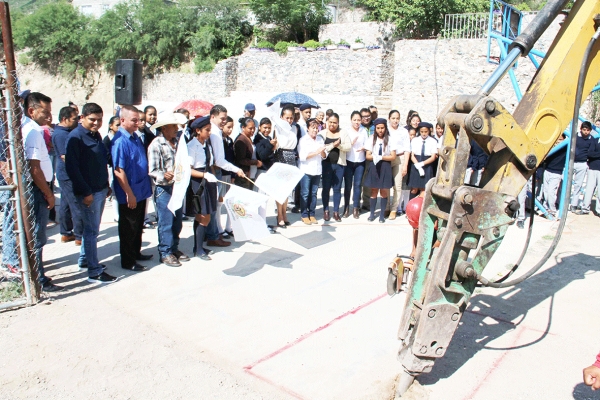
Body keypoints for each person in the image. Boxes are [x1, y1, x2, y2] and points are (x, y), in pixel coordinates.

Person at [66, 102, 117, 283]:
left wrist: (106, 184)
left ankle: (85, 261)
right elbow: (72, 169)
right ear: (82, 118)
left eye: (99, 120)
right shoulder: (76, 137)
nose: (96, 123)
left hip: (100, 190)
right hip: (89, 193)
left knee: (92, 230)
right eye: (92, 120)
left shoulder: (95, 135)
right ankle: (94, 272)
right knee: (91, 232)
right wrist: (86, 192)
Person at [22, 92, 60, 292]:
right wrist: (48, 193)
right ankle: (39, 280)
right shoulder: (34, 132)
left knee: (35, 235)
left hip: (38, 188)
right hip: (38, 189)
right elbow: (34, 168)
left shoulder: (29, 128)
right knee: (37, 235)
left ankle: (36, 275)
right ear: (31, 110)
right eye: (45, 112)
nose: (49, 116)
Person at [112, 105, 154, 272]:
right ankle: (128, 260)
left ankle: (136, 253)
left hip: (141, 189)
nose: (138, 123)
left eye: (139, 120)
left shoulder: (135, 137)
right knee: (128, 227)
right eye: (134, 120)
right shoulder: (120, 141)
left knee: (137, 225)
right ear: (122, 120)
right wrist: (129, 193)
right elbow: (119, 170)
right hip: (130, 191)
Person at [147, 112, 190, 267]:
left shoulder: (178, 142)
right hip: (164, 189)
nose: (176, 129)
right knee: (166, 222)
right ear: (164, 128)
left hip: (177, 187)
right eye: (173, 126)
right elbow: (153, 170)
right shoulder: (156, 144)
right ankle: (165, 252)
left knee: (177, 221)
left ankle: (173, 248)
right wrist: (164, 174)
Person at [207, 105, 245, 246]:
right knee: (212, 205)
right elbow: (219, 160)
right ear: (213, 117)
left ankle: (212, 233)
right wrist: (236, 169)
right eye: (222, 118)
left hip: (213, 169)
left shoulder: (215, 131)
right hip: (213, 170)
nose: (224, 121)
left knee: (212, 204)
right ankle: (213, 235)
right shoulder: (215, 132)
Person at [188, 116, 219, 261]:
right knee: (202, 215)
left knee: (206, 215)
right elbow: (188, 170)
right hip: (198, 183)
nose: (209, 133)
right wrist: (204, 175)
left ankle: (198, 246)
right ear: (198, 131)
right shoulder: (192, 146)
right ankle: (198, 249)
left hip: (208, 180)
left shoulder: (206, 145)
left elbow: (210, 163)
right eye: (207, 130)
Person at [52, 106, 82, 245]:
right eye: (75, 119)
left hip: (67, 173)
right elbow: (66, 156)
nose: (77, 121)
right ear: (65, 119)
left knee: (66, 202)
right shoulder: (61, 134)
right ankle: (79, 235)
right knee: (75, 203)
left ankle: (66, 232)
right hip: (67, 174)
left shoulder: (66, 132)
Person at [319, 113, 350, 221]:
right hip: (326, 165)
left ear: (338, 123)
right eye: (330, 122)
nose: (332, 124)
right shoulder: (322, 134)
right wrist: (333, 145)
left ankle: (336, 212)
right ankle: (326, 210)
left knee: (337, 189)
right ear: (327, 122)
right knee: (326, 188)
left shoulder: (343, 132)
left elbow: (348, 147)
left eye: (335, 122)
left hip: (339, 165)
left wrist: (339, 145)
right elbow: (321, 148)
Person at [364, 118, 396, 222]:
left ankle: (382, 215)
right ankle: (372, 214)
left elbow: (393, 156)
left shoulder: (390, 139)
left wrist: (381, 157)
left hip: (385, 166)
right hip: (374, 165)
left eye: (382, 128)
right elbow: (367, 156)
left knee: (383, 190)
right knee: (374, 190)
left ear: (385, 128)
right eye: (378, 128)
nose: (380, 130)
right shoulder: (371, 138)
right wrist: (375, 157)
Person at [272, 105, 298, 228]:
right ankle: (280, 215)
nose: (289, 120)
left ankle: (285, 214)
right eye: (286, 117)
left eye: (291, 118)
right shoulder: (277, 128)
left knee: (287, 189)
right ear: (281, 117)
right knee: (280, 189)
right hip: (281, 156)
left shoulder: (295, 129)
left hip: (291, 157)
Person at [298, 119, 326, 225]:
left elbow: (324, 156)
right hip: (306, 170)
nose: (315, 130)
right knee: (305, 193)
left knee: (314, 194)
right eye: (312, 128)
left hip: (317, 170)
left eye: (316, 128)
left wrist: (322, 152)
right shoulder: (303, 140)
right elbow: (302, 157)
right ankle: (304, 214)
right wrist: (316, 152)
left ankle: (312, 214)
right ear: (308, 128)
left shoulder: (320, 139)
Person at [344, 111, 368, 219]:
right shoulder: (347, 131)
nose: (357, 122)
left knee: (358, 185)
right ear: (351, 120)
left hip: (360, 161)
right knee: (348, 186)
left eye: (359, 120)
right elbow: (343, 145)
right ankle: (346, 208)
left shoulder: (364, 131)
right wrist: (351, 143)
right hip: (349, 160)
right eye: (355, 120)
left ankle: (356, 208)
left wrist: (364, 148)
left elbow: (367, 144)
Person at [387, 110, 410, 220]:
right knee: (386, 184)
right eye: (393, 118)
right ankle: (386, 207)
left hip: (399, 158)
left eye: (397, 118)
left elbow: (407, 149)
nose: (395, 120)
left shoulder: (404, 131)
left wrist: (405, 164)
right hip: (387, 158)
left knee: (398, 185)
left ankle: (394, 209)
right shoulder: (385, 130)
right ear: (389, 118)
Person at [408, 122, 438, 196]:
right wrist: (418, 165)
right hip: (416, 162)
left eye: (426, 132)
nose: (424, 134)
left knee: (424, 188)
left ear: (429, 131)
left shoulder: (433, 141)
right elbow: (412, 155)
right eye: (422, 132)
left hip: (427, 164)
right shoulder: (415, 140)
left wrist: (422, 164)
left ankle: (421, 206)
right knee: (414, 188)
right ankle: (411, 205)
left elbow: (433, 157)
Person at [570, 121, 594, 212]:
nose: (586, 132)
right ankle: (563, 202)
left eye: (588, 130)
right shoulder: (575, 136)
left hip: (582, 163)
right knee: (566, 183)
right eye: (584, 129)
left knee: (578, 185)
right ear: (581, 129)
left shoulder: (591, 139)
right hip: (572, 162)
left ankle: (574, 204)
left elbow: (591, 152)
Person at [541, 134, 566, 216]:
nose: (558, 142)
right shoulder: (552, 148)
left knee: (551, 193)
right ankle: (545, 208)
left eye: (560, 140)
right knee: (545, 191)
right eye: (557, 140)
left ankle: (552, 209)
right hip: (548, 171)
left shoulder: (565, 149)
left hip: (556, 173)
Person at [234, 117, 261, 190]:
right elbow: (241, 160)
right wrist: (256, 162)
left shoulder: (249, 138)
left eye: (254, 128)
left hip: (251, 174)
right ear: (243, 127)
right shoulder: (241, 140)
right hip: (244, 175)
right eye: (250, 128)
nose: (253, 130)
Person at [219, 116, 236, 237]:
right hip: (221, 173)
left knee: (230, 200)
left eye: (232, 127)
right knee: (219, 202)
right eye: (228, 127)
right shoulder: (218, 140)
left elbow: (232, 158)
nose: (230, 130)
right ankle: (219, 228)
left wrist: (233, 174)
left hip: (229, 174)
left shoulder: (230, 140)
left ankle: (229, 227)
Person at [103, 116, 120, 223]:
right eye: (117, 125)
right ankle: (116, 215)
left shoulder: (120, 137)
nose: (119, 127)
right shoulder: (107, 139)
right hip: (111, 167)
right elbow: (106, 156)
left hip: (119, 167)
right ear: (111, 126)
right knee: (114, 190)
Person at [580, 131, 600, 215]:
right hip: (592, 167)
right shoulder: (595, 140)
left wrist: (596, 154)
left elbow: (593, 154)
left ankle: (598, 210)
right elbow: (590, 154)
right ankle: (585, 208)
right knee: (589, 189)